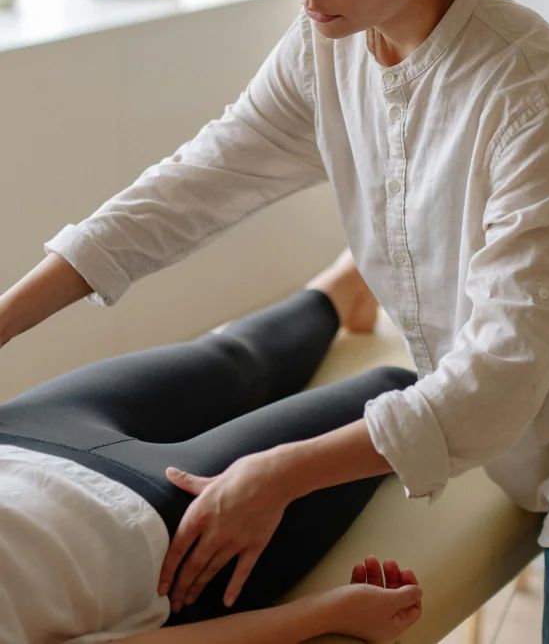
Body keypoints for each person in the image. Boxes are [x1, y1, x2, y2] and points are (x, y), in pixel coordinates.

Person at [2, 0, 549, 640]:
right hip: (505, 431)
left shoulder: (526, 93)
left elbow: (501, 373)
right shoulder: (326, 44)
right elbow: (188, 189)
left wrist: (279, 473)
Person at [0, 259, 423, 642]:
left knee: (234, 358)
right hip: (148, 533)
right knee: (393, 394)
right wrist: (328, 614)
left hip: (19, 437)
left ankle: (346, 286)